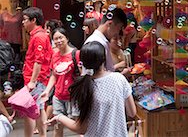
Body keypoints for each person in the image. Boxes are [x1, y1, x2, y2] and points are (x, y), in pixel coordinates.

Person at [46, 41, 136, 136]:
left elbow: (81, 128)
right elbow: (132, 112)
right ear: (104, 59)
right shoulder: (119, 79)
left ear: (82, 62)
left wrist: (59, 117)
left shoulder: (81, 88)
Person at [40, 28, 79, 137]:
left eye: (61, 37)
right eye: (55, 39)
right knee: (58, 125)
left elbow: (83, 75)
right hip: (58, 96)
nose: (58, 41)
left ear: (67, 38)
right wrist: (47, 91)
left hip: (73, 96)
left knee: (79, 126)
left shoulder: (76, 54)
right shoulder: (55, 56)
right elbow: (53, 75)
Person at [22, 7, 53, 137]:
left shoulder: (39, 37)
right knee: (39, 109)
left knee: (29, 111)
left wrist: (32, 81)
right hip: (38, 79)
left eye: (24, 20)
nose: (23, 23)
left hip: (36, 80)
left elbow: (38, 61)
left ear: (33, 20)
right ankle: (42, 135)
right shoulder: (39, 35)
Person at [84, 8, 127, 72]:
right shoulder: (95, 43)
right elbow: (94, 76)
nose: (118, 33)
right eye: (119, 28)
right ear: (110, 24)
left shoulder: (102, 41)